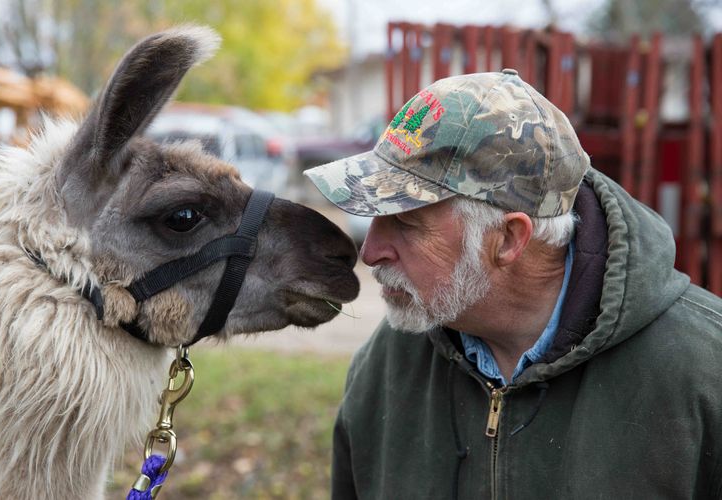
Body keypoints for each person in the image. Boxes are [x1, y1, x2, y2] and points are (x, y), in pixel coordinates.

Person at [304, 69, 722, 499]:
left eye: (406, 224)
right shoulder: (388, 365)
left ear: (508, 239)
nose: (370, 252)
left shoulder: (703, 374)